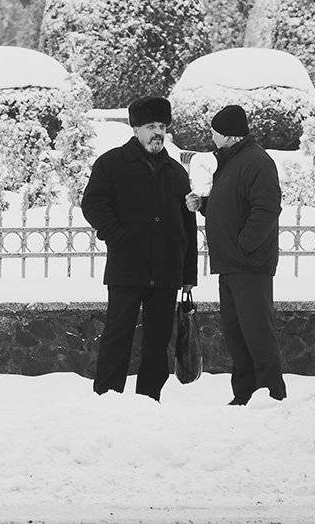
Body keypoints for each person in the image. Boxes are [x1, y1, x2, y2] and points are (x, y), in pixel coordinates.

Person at [80, 95, 198, 399]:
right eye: (150, 126)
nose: (157, 132)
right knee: (117, 335)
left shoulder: (176, 172)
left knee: (158, 342)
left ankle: (149, 399)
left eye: (161, 125)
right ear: (135, 129)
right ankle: (107, 397)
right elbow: (93, 204)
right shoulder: (112, 164)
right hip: (127, 268)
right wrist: (118, 236)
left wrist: (188, 274)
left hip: (166, 270)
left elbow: (187, 225)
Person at [186, 104, 287, 405]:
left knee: (256, 331)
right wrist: (203, 205)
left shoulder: (256, 162)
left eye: (215, 132)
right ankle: (245, 393)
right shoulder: (231, 162)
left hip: (249, 264)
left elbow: (266, 208)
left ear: (228, 136)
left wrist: (244, 246)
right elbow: (232, 205)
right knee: (236, 331)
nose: (212, 137)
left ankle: (272, 393)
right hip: (231, 263)